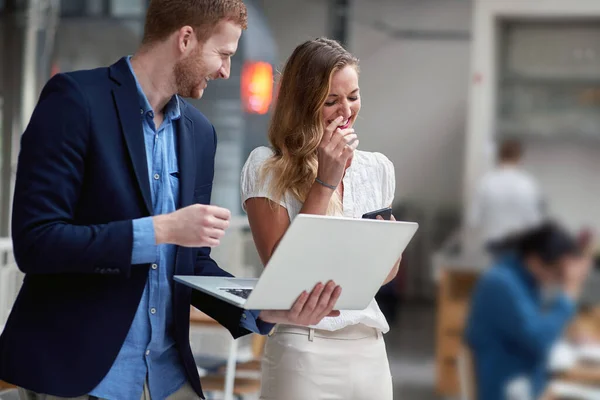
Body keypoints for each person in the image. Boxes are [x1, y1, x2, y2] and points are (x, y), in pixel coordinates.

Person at [0, 2, 341, 399]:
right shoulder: (76, 101)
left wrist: (262, 309)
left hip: (166, 376)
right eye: (224, 54)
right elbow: (36, 242)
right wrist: (161, 230)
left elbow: (191, 263)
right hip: (79, 373)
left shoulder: (199, 134)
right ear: (185, 39)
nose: (226, 71)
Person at [241, 37, 399, 400]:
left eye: (353, 96)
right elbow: (287, 274)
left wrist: (385, 251)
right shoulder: (265, 166)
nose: (346, 110)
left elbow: (386, 274)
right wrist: (325, 180)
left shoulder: (378, 169)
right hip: (304, 349)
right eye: (331, 100)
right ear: (303, 102)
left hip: (369, 347)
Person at [464, 221, 592, 400]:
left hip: (526, 382)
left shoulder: (521, 280)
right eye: (556, 272)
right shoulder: (501, 284)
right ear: (535, 260)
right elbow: (539, 342)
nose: (556, 280)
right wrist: (569, 291)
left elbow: (532, 326)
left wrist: (567, 331)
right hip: (510, 389)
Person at [467, 139, 545, 254]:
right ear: (519, 158)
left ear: (499, 156)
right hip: (519, 244)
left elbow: (473, 219)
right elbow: (535, 221)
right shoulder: (528, 183)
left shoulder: (486, 182)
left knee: (497, 271)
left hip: (493, 242)